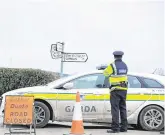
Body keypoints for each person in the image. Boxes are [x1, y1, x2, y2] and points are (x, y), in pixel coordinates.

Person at [103, 51, 128, 133]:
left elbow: (105, 73)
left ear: (114, 56)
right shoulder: (125, 65)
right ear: (121, 57)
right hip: (124, 90)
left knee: (115, 109)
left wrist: (106, 69)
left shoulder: (112, 65)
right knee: (123, 108)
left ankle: (115, 128)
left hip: (115, 90)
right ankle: (124, 128)